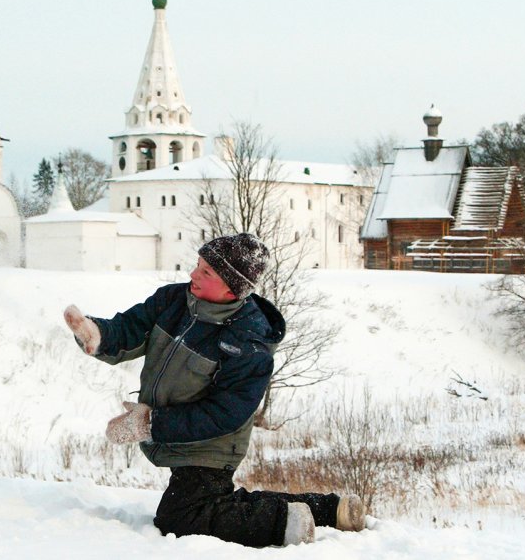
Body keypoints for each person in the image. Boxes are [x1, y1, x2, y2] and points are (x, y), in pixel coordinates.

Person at [63, 233, 365, 547]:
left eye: (206, 272)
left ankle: (284, 522)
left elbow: (225, 414)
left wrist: (150, 424)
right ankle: (332, 509)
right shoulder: (173, 300)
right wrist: (97, 334)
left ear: (233, 287)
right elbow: (131, 329)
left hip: (213, 443)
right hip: (177, 429)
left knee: (180, 516)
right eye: (197, 265)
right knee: (212, 502)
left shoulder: (248, 342)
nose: (193, 274)